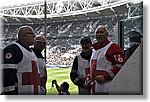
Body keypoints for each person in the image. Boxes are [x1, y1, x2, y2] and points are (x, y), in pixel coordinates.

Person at [3, 26, 41, 95]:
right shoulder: (13, 49)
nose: (34, 36)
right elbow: (7, 75)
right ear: (24, 36)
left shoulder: (31, 51)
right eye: (32, 34)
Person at [90, 25, 126, 95]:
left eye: (101, 32)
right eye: (97, 32)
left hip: (106, 89)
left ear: (107, 34)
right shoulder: (94, 50)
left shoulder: (113, 47)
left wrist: (105, 77)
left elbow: (121, 65)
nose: (99, 34)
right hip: (94, 90)